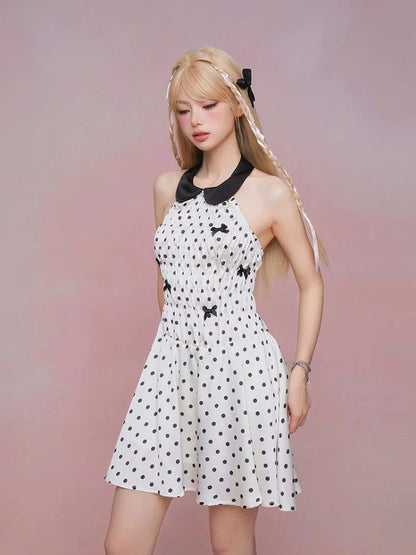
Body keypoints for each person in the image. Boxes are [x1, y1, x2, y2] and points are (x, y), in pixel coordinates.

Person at [103, 46, 327, 555]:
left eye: (208, 106)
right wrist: (178, 346)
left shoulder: (271, 194)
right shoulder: (166, 189)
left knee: (230, 544)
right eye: (183, 111)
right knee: (123, 544)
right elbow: (165, 281)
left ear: (239, 106)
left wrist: (298, 374)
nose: (195, 121)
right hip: (170, 367)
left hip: (240, 369)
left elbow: (312, 283)